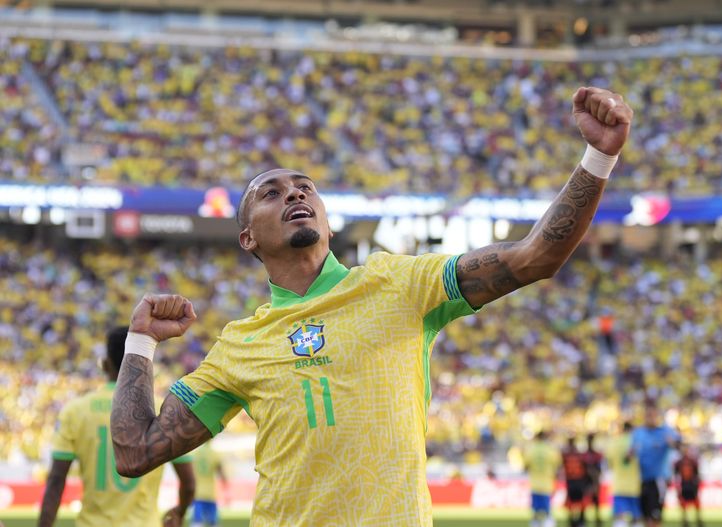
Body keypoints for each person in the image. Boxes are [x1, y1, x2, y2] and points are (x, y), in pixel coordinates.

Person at [110, 86, 633, 527]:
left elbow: (535, 256)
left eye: (305, 188)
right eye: (271, 193)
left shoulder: (399, 283)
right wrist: (141, 343)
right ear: (247, 238)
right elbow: (135, 453)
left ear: (327, 221)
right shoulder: (241, 343)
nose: (295, 194)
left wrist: (599, 157)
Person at [38, 327, 195, 527]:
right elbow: (189, 483)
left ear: (105, 364)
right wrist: (179, 512)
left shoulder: (75, 411)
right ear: (147, 364)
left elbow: (56, 481)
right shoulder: (163, 409)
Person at [632, 402, 680, 527]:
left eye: (653, 415)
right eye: (648, 415)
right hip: (641, 480)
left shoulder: (665, 431)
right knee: (644, 515)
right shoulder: (638, 433)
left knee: (655, 516)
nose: (650, 418)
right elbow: (630, 455)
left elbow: (678, 444)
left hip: (658, 479)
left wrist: (673, 443)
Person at [606, 422, 642, 527]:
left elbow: (609, 464)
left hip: (618, 486)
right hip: (635, 486)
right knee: (636, 519)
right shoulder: (637, 443)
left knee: (619, 518)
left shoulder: (614, 443)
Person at [523, 430, 561, 527]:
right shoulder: (551, 450)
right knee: (547, 510)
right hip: (547, 484)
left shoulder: (531, 449)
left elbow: (525, 466)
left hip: (535, 484)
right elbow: (558, 466)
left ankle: (535, 523)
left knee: (535, 511)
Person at [191, 439, 227, 527]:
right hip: (210, 493)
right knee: (213, 523)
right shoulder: (215, 454)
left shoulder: (194, 454)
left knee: (197, 522)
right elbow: (222, 474)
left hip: (197, 493)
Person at [674, 443, 703, 527]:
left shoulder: (693, 461)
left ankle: (698, 519)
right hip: (683, 485)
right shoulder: (678, 462)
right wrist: (677, 487)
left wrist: (697, 485)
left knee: (696, 502)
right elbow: (676, 475)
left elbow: (697, 474)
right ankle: (685, 520)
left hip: (692, 485)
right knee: (683, 503)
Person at [562, 437, 588, 527]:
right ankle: (580, 520)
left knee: (573, 503)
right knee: (579, 502)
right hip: (578, 481)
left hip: (572, 481)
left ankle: (573, 521)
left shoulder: (566, 455)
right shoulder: (579, 455)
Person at [582, 433, 603, 527]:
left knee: (596, 501)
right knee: (585, 500)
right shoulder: (584, 455)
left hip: (594, 481)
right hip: (586, 481)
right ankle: (583, 518)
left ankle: (597, 519)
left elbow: (599, 470)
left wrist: (595, 481)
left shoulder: (597, 455)